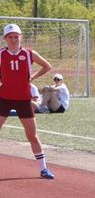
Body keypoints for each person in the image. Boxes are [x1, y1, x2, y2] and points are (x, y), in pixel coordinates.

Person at [0, 23, 55, 179]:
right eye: (10, 37)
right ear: (5, 39)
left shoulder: (29, 53)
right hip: (3, 98)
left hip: (24, 99)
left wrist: (32, 77)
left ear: (21, 37)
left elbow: (47, 66)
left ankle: (43, 169)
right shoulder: (1, 54)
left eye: (16, 36)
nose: (14, 39)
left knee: (32, 135)